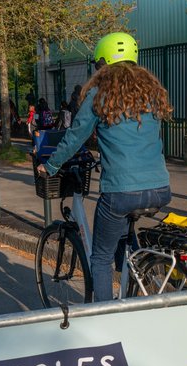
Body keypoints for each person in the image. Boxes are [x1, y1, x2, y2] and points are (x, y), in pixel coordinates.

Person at [37, 32, 172, 301]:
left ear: (102, 65)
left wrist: (50, 166)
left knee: (100, 258)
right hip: (160, 188)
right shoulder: (152, 94)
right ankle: (136, 284)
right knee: (124, 241)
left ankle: (105, 322)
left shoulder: (100, 95)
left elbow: (75, 136)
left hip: (121, 192)